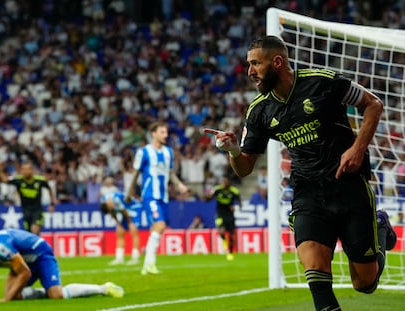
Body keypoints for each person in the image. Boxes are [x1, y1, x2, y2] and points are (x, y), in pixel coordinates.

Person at [204, 35, 397, 310]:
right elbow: (245, 167)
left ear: (278, 62)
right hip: (308, 194)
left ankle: (379, 225)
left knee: (364, 284)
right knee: (315, 271)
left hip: (349, 187)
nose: (249, 71)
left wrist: (357, 149)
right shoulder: (259, 111)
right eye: (249, 64)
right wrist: (234, 150)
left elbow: (374, 104)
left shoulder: (323, 82)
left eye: (255, 64)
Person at [0, 228, 124, 302]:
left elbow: (25, 273)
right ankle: (48, 291)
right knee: (15, 295)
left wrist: (6, 300)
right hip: (22, 260)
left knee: (57, 295)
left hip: (40, 253)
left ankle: (103, 288)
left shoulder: (1, 247)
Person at [126, 121, 188, 275]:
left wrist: (179, 185)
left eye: (166, 132)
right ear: (153, 134)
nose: (165, 135)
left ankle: (147, 265)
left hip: (164, 197)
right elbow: (136, 174)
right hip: (149, 195)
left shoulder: (169, 152)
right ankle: (150, 264)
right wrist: (129, 193)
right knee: (159, 226)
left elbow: (170, 172)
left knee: (158, 228)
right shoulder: (144, 152)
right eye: (162, 132)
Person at [0, 161, 56, 235]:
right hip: (26, 211)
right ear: (21, 171)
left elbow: (49, 188)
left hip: (37, 211)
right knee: (29, 235)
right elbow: (3, 180)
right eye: (23, 169)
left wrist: (52, 203)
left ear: (32, 170)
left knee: (34, 231)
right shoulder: (18, 180)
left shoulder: (40, 180)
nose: (25, 171)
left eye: (28, 169)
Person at [100, 191, 142, 265]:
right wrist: (119, 224)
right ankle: (119, 258)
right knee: (119, 232)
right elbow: (112, 212)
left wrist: (130, 223)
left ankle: (135, 258)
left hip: (134, 208)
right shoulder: (105, 201)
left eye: (111, 207)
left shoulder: (116, 199)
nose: (112, 208)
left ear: (108, 204)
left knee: (133, 231)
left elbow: (124, 211)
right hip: (124, 210)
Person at [208, 176, 241, 261]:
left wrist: (235, 207)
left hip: (229, 215)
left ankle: (230, 252)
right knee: (221, 230)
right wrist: (208, 195)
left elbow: (240, 202)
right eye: (223, 182)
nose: (224, 184)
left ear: (229, 183)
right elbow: (208, 198)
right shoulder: (217, 190)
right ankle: (224, 241)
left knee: (231, 235)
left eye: (226, 182)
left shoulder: (234, 191)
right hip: (220, 213)